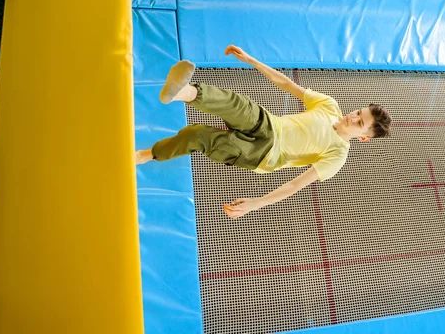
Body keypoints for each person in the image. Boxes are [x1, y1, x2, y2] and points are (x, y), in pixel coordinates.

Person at [136, 45, 391, 219]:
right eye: (359, 112)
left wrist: (254, 204)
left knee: (197, 136)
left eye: (359, 123)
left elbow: (294, 185)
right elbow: (287, 84)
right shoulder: (330, 105)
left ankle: (146, 155)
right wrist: (251, 60)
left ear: (363, 137)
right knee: (237, 104)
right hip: (269, 124)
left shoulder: (338, 155)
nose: (353, 117)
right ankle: (182, 92)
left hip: (263, 154)